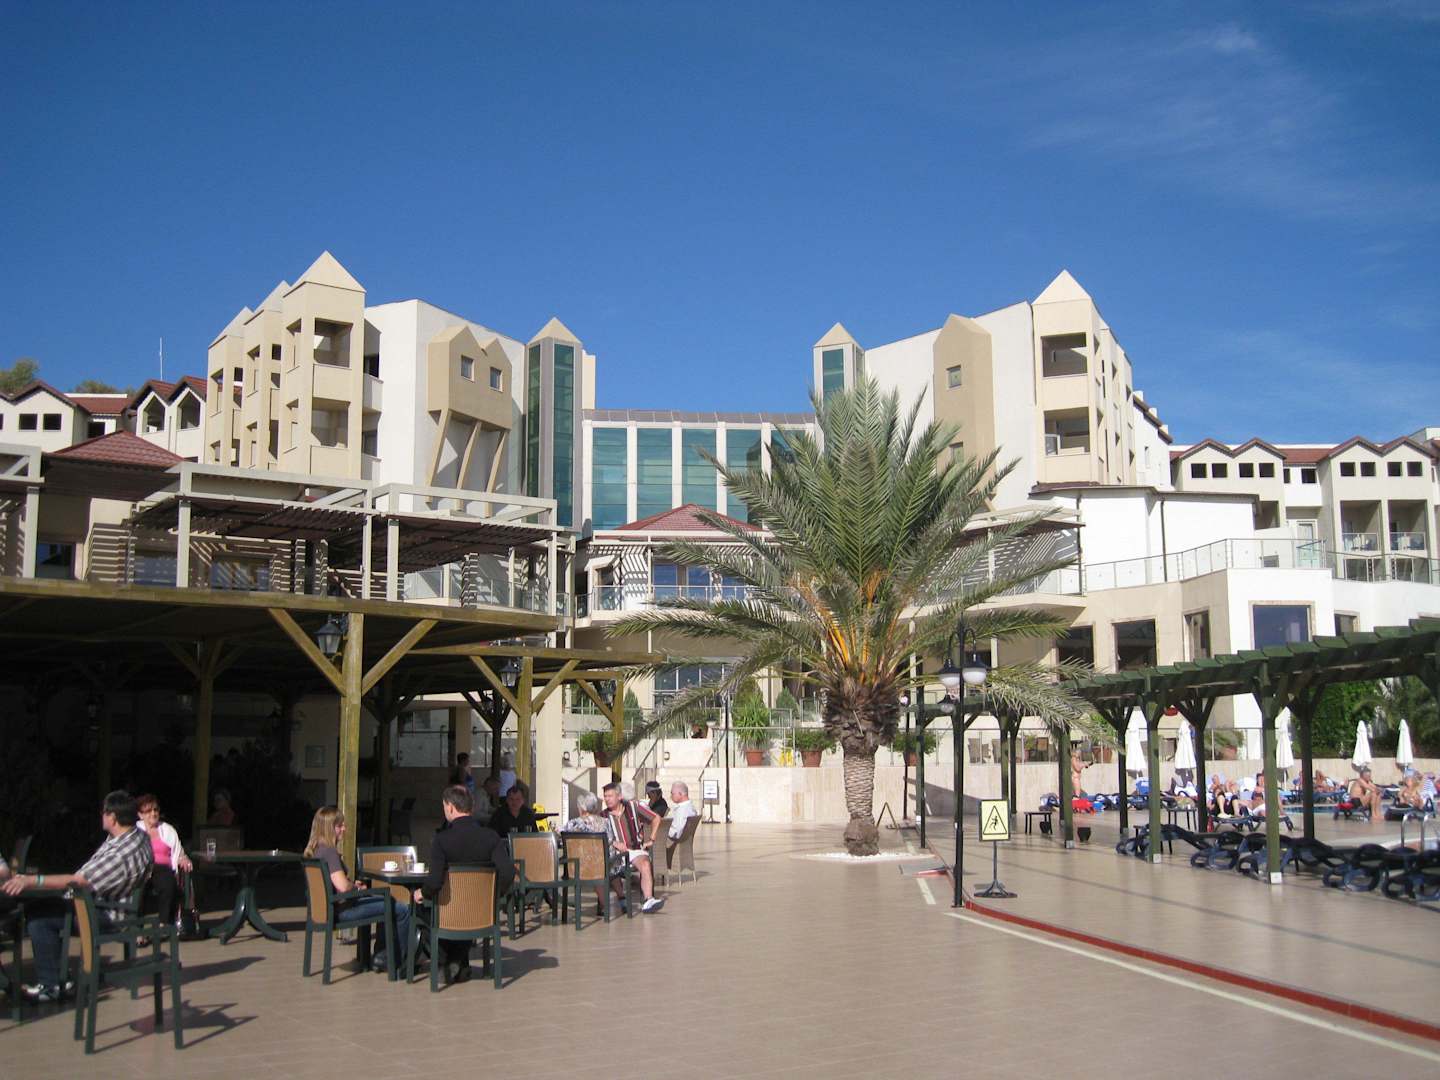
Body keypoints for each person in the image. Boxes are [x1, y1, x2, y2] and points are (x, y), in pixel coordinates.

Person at [2, 790, 153, 1003]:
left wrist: (32, 881)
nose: (101, 815)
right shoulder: (136, 836)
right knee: (41, 908)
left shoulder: (121, 854)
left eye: (104, 812)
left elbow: (79, 881)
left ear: (112, 817)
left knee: (39, 917)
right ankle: (57, 979)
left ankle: (51, 986)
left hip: (106, 914)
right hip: (107, 904)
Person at [418, 785, 513, 985]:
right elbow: (508, 873)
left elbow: (434, 883)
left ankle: (447, 962)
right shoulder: (491, 837)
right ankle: (458, 963)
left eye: (444, 807)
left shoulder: (442, 840)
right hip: (481, 911)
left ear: (450, 807)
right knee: (465, 915)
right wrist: (494, 896)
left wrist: (421, 893)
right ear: (472, 807)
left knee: (420, 911)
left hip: (449, 911)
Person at [303, 806, 410, 972]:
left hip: (329, 910)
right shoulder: (329, 852)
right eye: (340, 826)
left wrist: (353, 884)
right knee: (400, 908)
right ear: (328, 828)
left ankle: (380, 956)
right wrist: (354, 887)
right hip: (343, 911)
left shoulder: (316, 851)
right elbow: (342, 887)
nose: (344, 829)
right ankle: (399, 962)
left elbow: (335, 883)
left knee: (386, 902)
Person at [603, 781, 664, 913]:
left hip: (634, 850)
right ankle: (621, 897)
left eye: (610, 796)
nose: (607, 799)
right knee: (611, 866)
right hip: (615, 853)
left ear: (619, 796)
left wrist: (652, 839)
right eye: (605, 796)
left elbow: (656, 818)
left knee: (645, 864)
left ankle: (648, 900)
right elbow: (600, 837)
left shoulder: (633, 807)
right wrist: (614, 843)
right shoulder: (603, 816)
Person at [136, 793, 192, 926]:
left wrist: (183, 858)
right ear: (140, 815)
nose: (153, 813)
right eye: (148, 811)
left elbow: (178, 851)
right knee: (137, 889)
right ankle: (137, 928)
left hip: (162, 867)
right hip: (141, 867)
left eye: (155, 810)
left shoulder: (168, 830)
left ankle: (164, 923)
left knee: (168, 884)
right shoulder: (134, 830)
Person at [561, 793, 611, 913]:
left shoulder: (572, 823)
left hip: (576, 868)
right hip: (600, 868)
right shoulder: (605, 822)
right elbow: (610, 841)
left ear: (582, 808)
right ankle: (604, 905)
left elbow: (560, 836)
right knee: (598, 863)